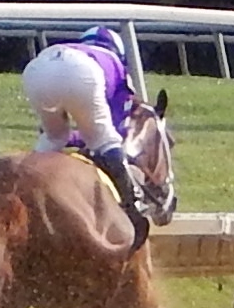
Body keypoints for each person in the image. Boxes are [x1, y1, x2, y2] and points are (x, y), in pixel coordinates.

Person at [22, 26, 150, 245]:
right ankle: (132, 206)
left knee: (53, 138)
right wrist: (89, 139)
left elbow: (64, 133)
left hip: (36, 68)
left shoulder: (77, 49)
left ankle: (23, 193)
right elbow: (118, 128)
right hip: (81, 72)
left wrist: (75, 138)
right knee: (107, 140)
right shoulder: (116, 65)